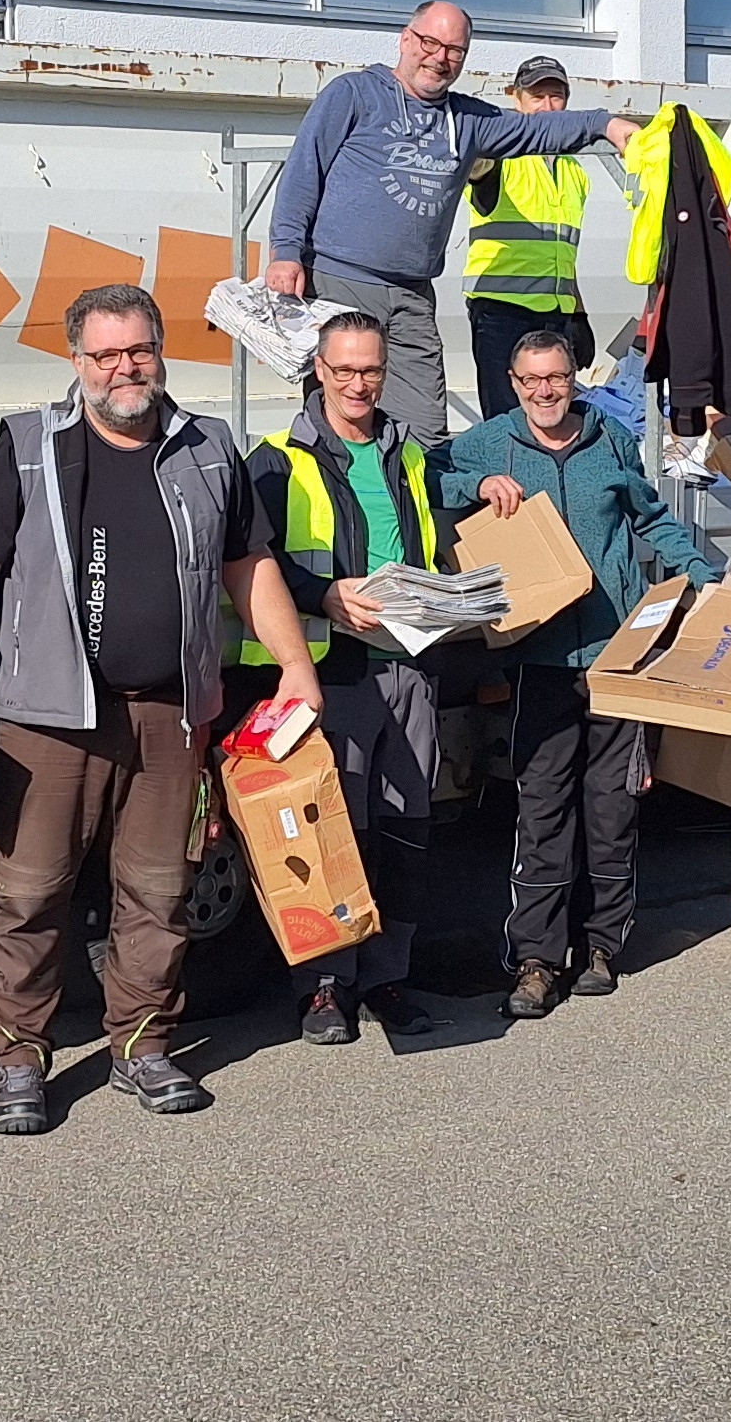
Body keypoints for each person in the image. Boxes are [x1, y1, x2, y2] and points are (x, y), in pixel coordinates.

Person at [0, 285, 322, 1134]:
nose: (122, 368)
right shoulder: (30, 446)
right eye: (103, 355)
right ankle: (19, 1058)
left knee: (158, 890)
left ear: (159, 350)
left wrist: (294, 664)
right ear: (76, 364)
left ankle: (142, 1046)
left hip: (171, 713)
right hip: (47, 717)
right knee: (27, 893)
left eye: (136, 350)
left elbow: (247, 568)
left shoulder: (209, 447)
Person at [444, 330, 722, 1020]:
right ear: (513, 382)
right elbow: (426, 475)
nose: (545, 390)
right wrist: (475, 482)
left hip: (614, 657)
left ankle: (601, 946)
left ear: (574, 380)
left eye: (557, 378)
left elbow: (652, 520)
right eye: (532, 379)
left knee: (612, 809)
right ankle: (536, 960)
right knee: (541, 813)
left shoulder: (610, 442)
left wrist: (703, 576)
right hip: (536, 661)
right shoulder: (490, 442)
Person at [267, 1, 643, 445]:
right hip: (341, 281)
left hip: (412, 293)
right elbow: (303, 170)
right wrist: (285, 252)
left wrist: (606, 123)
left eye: (454, 51)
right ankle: (332, 507)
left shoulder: (466, 120)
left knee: (425, 426)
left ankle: (409, 512)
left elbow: (538, 131)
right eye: (430, 43)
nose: (440, 57)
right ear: (406, 40)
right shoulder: (354, 94)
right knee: (341, 414)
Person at [244, 313, 452, 1046]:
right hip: (327, 675)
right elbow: (252, 566)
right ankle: (324, 988)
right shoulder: (275, 459)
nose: (358, 383)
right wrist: (322, 594)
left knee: (402, 832)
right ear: (318, 372)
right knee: (330, 833)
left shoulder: (411, 453)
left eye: (370, 370)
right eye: (343, 370)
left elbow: (437, 542)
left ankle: (386, 978)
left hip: (408, 668)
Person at [462, 54, 605, 420]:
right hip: (501, 314)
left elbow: (561, 255)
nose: (547, 106)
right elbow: (478, 167)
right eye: (537, 96)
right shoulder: (501, 156)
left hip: (555, 315)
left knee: (553, 419)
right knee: (506, 421)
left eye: (555, 96)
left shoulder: (575, 171)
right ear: (517, 99)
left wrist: (578, 313)